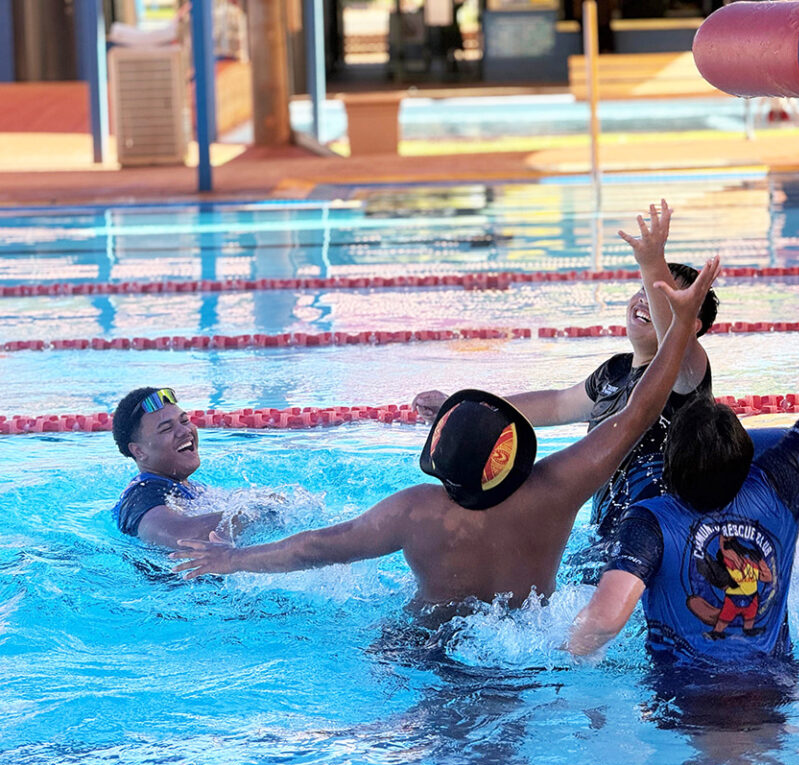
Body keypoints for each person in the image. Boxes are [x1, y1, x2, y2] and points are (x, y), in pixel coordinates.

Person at [170, 257, 723, 621]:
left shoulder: (416, 512)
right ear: (514, 454)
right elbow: (635, 415)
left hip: (424, 645)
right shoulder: (556, 491)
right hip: (523, 646)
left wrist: (234, 559)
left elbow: (316, 546)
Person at [566, 219, 799, 664]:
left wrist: (558, 660)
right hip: (773, 688)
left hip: (683, 698)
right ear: (747, 461)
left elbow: (605, 621)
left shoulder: (651, 522)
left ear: (667, 472)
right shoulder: (779, 488)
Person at [412, 200, 719, 551]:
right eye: (644, 290)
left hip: (667, 536)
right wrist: (465, 410)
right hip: (607, 538)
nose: (645, 300)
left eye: (660, 295)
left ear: (692, 326)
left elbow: (674, 338)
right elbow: (556, 405)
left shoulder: (688, 376)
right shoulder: (614, 372)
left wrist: (651, 264)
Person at [111, 387, 229, 547]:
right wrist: (254, 513)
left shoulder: (189, 487)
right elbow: (180, 536)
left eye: (185, 421)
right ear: (139, 451)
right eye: (167, 428)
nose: (185, 431)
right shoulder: (143, 495)